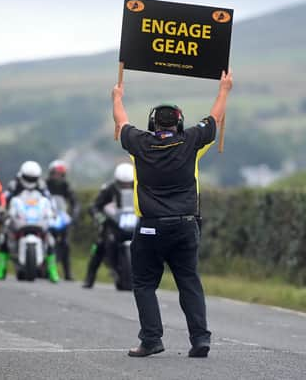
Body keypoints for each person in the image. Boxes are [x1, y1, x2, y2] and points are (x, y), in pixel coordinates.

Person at [111, 70, 233, 358]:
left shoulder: (139, 145)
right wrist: (224, 89)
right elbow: (214, 119)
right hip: (185, 226)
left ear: (152, 124)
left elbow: (121, 120)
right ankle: (200, 339)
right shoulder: (191, 143)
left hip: (151, 228)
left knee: (143, 284)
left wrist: (116, 97)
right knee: (189, 280)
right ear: (180, 123)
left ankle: (152, 340)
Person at [0, 161, 59, 282]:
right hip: (19, 217)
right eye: (28, 178)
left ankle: (52, 270)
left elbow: (49, 199)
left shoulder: (41, 185)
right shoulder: (14, 184)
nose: (30, 181)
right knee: (4, 236)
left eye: (33, 178)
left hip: (37, 217)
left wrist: (53, 212)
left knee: (50, 238)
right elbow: (4, 198)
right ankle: (1, 268)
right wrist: (2, 209)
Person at [82, 163, 134, 288]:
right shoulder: (108, 189)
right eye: (122, 183)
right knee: (99, 245)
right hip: (112, 223)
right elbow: (94, 206)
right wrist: (100, 217)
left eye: (128, 183)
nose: (126, 185)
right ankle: (89, 278)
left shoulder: (139, 187)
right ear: (117, 180)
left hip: (132, 221)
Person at [46, 160, 80, 281]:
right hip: (46, 215)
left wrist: (74, 216)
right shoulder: (44, 185)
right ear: (50, 173)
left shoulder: (66, 186)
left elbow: (74, 202)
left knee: (65, 243)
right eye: (55, 174)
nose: (57, 177)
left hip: (60, 215)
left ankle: (67, 272)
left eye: (60, 174)